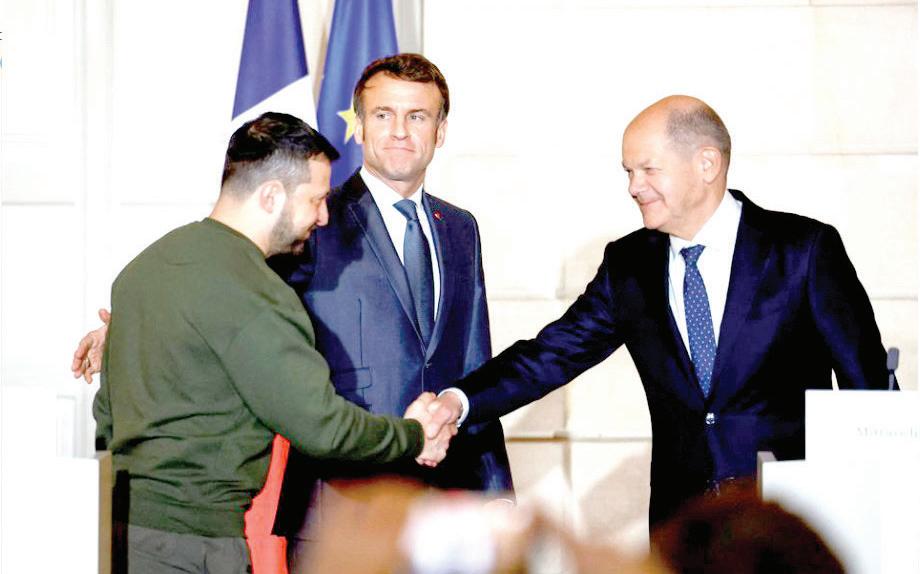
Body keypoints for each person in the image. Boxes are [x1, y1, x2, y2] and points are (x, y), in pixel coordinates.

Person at [73, 54, 514, 571]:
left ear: (440, 130)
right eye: (382, 114)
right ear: (358, 125)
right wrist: (126, 330)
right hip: (337, 511)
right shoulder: (305, 220)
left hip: (445, 514)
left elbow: (476, 365)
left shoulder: (460, 228)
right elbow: (219, 293)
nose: (399, 130)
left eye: (416, 116)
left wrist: (496, 491)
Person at [431, 95, 897, 527]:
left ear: (707, 164)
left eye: (648, 169)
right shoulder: (628, 265)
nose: (634, 187)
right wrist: (459, 401)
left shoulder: (803, 251)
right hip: (683, 529)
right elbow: (550, 355)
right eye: (628, 172)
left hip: (790, 526)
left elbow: (869, 392)